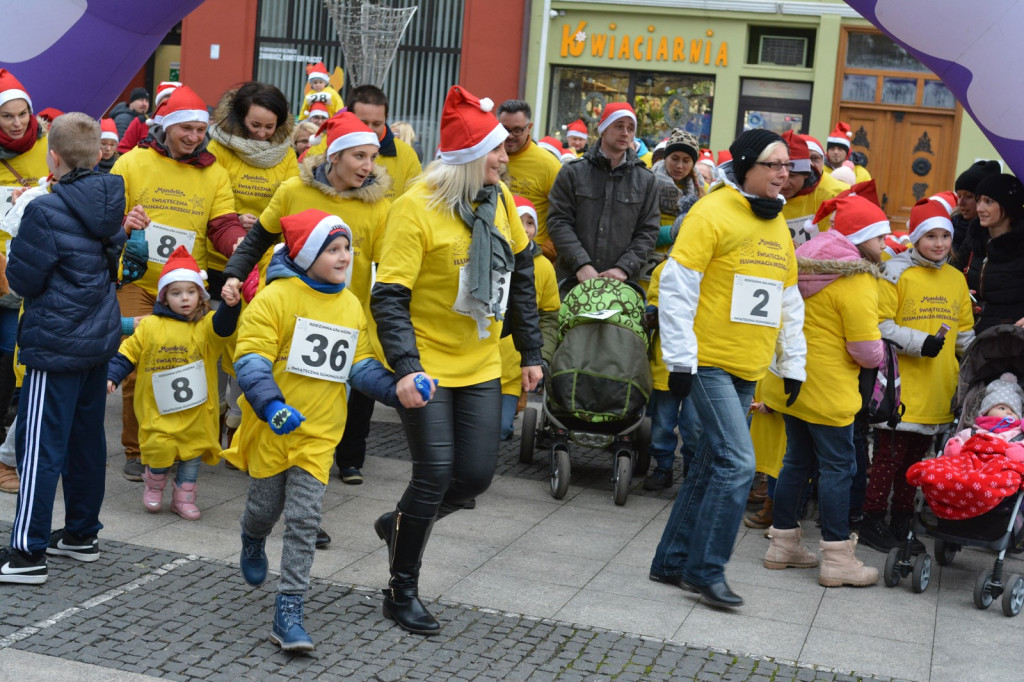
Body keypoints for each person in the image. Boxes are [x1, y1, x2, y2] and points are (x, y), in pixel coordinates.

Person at [369, 85, 543, 635]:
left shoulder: (501, 205)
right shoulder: (413, 210)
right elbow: (388, 297)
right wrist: (406, 365)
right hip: (425, 363)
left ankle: (399, 524)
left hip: (482, 360)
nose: (505, 156)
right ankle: (402, 589)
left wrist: (532, 352)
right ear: (469, 158)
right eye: (495, 150)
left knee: (472, 479)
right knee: (434, 473)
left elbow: (520, 283)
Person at [648, 128, 806, 608]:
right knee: (738, 463)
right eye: (774, 165)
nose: (785, 174)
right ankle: (706, 570)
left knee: (714, 464)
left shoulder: (778, 224)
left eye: (788, 166)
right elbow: (678, 285)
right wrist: (678, 358)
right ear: (746, 166)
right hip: (707, 361)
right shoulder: (711, 212)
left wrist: (792, 364)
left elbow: (787, 299)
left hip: (748, 365)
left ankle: (672, 561)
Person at [228, 209, 393, 651]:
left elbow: (359, 366)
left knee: (304, 520)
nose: (345, 257)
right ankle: (251, 537)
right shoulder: (274, 299)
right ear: (305, 254)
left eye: (347, 249)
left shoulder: (350, 304)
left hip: (320, 435)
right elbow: (250, 360)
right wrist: (271, 406)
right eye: (333, 249)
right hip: (272, 429)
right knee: (264, 510)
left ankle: (289, 609)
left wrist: (396, 390)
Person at [222, 112, 391, 489]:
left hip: (343, 316)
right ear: (334, 156)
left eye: (372, 157)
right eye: (359, 157)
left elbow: (389, 264)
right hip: (286, 313)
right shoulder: (292, 191)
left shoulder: (379, 206)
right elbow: (258, 240)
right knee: (273, 388)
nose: (368, 166)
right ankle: (255, 446)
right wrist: (234, 275)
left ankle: (330, 475)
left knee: (339, 402)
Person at [0, 113, 126, 583]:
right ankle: (80, 533)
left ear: (53, 158)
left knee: (38, 446)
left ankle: (27, 553)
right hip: (98, 334)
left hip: (56, 338)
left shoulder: (45, 209)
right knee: (86, 439)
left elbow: (22, 280)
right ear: (98, 154)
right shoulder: (111, 198)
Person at [111, 85, 247, 481]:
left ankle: (178, 443)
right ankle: (138, 449)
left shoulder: (214, 172)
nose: (193, 137)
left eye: (200, 131)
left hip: (187, 288)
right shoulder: (132, 163)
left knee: (184, 365)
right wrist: (125, 223)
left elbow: (222, 223)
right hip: (137, 280)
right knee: (139, 365)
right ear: (165, 127)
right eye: (185, 129)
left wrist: (236, 241)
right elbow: (106, 220)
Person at [760, 193, 891, 587]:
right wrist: (884, 353)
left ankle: (781, 544)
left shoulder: (803, 262)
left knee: (796, 462)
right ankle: (836, 558)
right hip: (830, 389)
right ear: (861, 237)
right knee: (838, 468)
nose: (885, 247)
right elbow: (866, 350)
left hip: (789, 381)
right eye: (881, 238)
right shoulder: (856, 279)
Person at [859, 196, 975, 552]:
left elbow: (964, 333)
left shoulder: (956, 279)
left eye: (945, 236)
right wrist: (918, 342)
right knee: (886, 459)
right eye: (931, 236)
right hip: (900, 388)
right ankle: (872, 521)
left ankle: (901, 521)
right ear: (915, 238)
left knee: (915, 464)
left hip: (938, 388)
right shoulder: (895, 272)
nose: (939, 244)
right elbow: (878, 323)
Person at [106, 247, 241, 519]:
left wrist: (230, 306)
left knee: (191, 457)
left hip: (195, 412)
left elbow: (223, 328)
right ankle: (154, 485)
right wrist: (113, 374)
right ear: (164, 298)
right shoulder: (150, 325)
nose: (184, 299)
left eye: (190, 292)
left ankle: (184, 497)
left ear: (200, 296)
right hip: (158, 409)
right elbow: (128, 352)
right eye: (176, 293)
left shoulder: (204, 327)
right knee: (159, 449)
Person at [547, 102, 659, 290]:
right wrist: (581, 264)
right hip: (573, 282)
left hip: (622, 286)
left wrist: (623, 268)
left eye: (631, 128)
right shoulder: (572, 173)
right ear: (603, 129)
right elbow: (558, 222)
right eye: (619, 126)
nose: (625, 133)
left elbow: (648, 231)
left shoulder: (646, 180)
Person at [0, 69, 49, 452]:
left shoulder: (48, 146)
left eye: (22, 114)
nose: (17, 123)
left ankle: (8, 438)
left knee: (10, 354)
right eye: (7, 115)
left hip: (30, 266)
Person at [499, 196, 559, 439]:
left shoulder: (543, 267)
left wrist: (540, 357)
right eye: (517, 221)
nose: (524, 229)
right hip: (478, 365)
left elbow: (549, 315)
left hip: (514, 369)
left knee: (502, 430)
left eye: (530, 222)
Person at [641, 259, 698, 491]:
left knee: (694, 425)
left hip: (700, 362)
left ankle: (691, 470)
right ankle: (663, 467)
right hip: (667, 360)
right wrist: (651, 312)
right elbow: (654, 299)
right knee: (663, 423)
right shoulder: (663, 269)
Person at [497, 100, 563, 260]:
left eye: (517, 130)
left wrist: (547, 249)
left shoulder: (548, 165)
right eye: (505, 129)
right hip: (493, 252)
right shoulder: (487, 157)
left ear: (529, 128)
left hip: (532, 256)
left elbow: (565, 213)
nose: (510, 136)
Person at [962, 174, 1024, 332]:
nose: (979, 208)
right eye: (978, 200)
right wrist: (961, 293)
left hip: (1009, 337)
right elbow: (951, 273)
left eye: (988, 201)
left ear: (1009, 205)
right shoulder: (973, 240)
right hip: (969, 332)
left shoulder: (1020, 245)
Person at [647, 129, 704, 290]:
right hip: (644, 267)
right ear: (666, 157)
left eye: (686, 160)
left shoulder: (702, 191)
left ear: (693, 163)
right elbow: (636, 230)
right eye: (674, 158)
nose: (679, 166)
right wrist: (671, 232)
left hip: (679, 271)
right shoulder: (648, 182)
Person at [942, 373, 1024, 459]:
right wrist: (955, 446)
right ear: (986, 412)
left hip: (1001, 464)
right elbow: (959, 439)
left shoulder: (1016, 434)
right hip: (971, 461)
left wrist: (1020, 451)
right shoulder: (974, 431)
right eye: (1002, 408)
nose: (1009, 412)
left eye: (1014, 411)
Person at [951, 160, 1001, 267]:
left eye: (969, 196)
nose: (961, 203)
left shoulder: (995, 235)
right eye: (959, 196)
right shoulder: (949, 226)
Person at [118, 81, 182, 156]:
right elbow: (123, 149)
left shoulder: (185, 124)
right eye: (167, 96)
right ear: (159, 101)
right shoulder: (141, 122)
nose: (170, 100)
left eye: (174, 96)